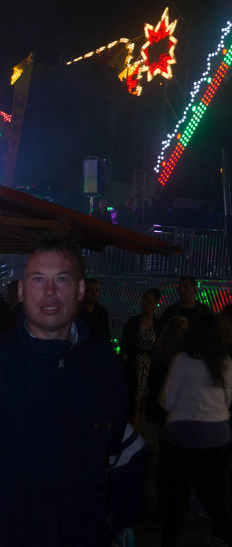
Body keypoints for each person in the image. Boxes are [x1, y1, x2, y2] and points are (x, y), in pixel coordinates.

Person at [0, 233, 129, 546]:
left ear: (81, 289)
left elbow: (122, 454)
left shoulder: (105, 366)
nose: (49, 292)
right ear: (20, 290)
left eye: (61, 279)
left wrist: (118, 520)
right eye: (37, 279)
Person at [159, 311, 232, 547]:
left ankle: (170, 539)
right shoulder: (226, 362)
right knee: (209, 490)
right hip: (217, 433)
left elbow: (168, 400)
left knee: (174, 494)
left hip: (183, 433)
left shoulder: (184, 360)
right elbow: (227, 401)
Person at [120, 287, 162, 428]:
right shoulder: (133, 322)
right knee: (136, 395)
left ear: (155, 303)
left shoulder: (158, 324)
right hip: (136, 363)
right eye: (144, 300)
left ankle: (141, 424)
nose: (145, 304)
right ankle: (136, 424)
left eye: (148, 301)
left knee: (145, 396)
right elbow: (125, 343)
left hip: (150, 363)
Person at [78, 275, 112, 345]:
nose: (94, 293)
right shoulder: (75, 311)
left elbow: (105, 335)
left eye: (96, 290)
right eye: (90, 290)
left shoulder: (101, 311)